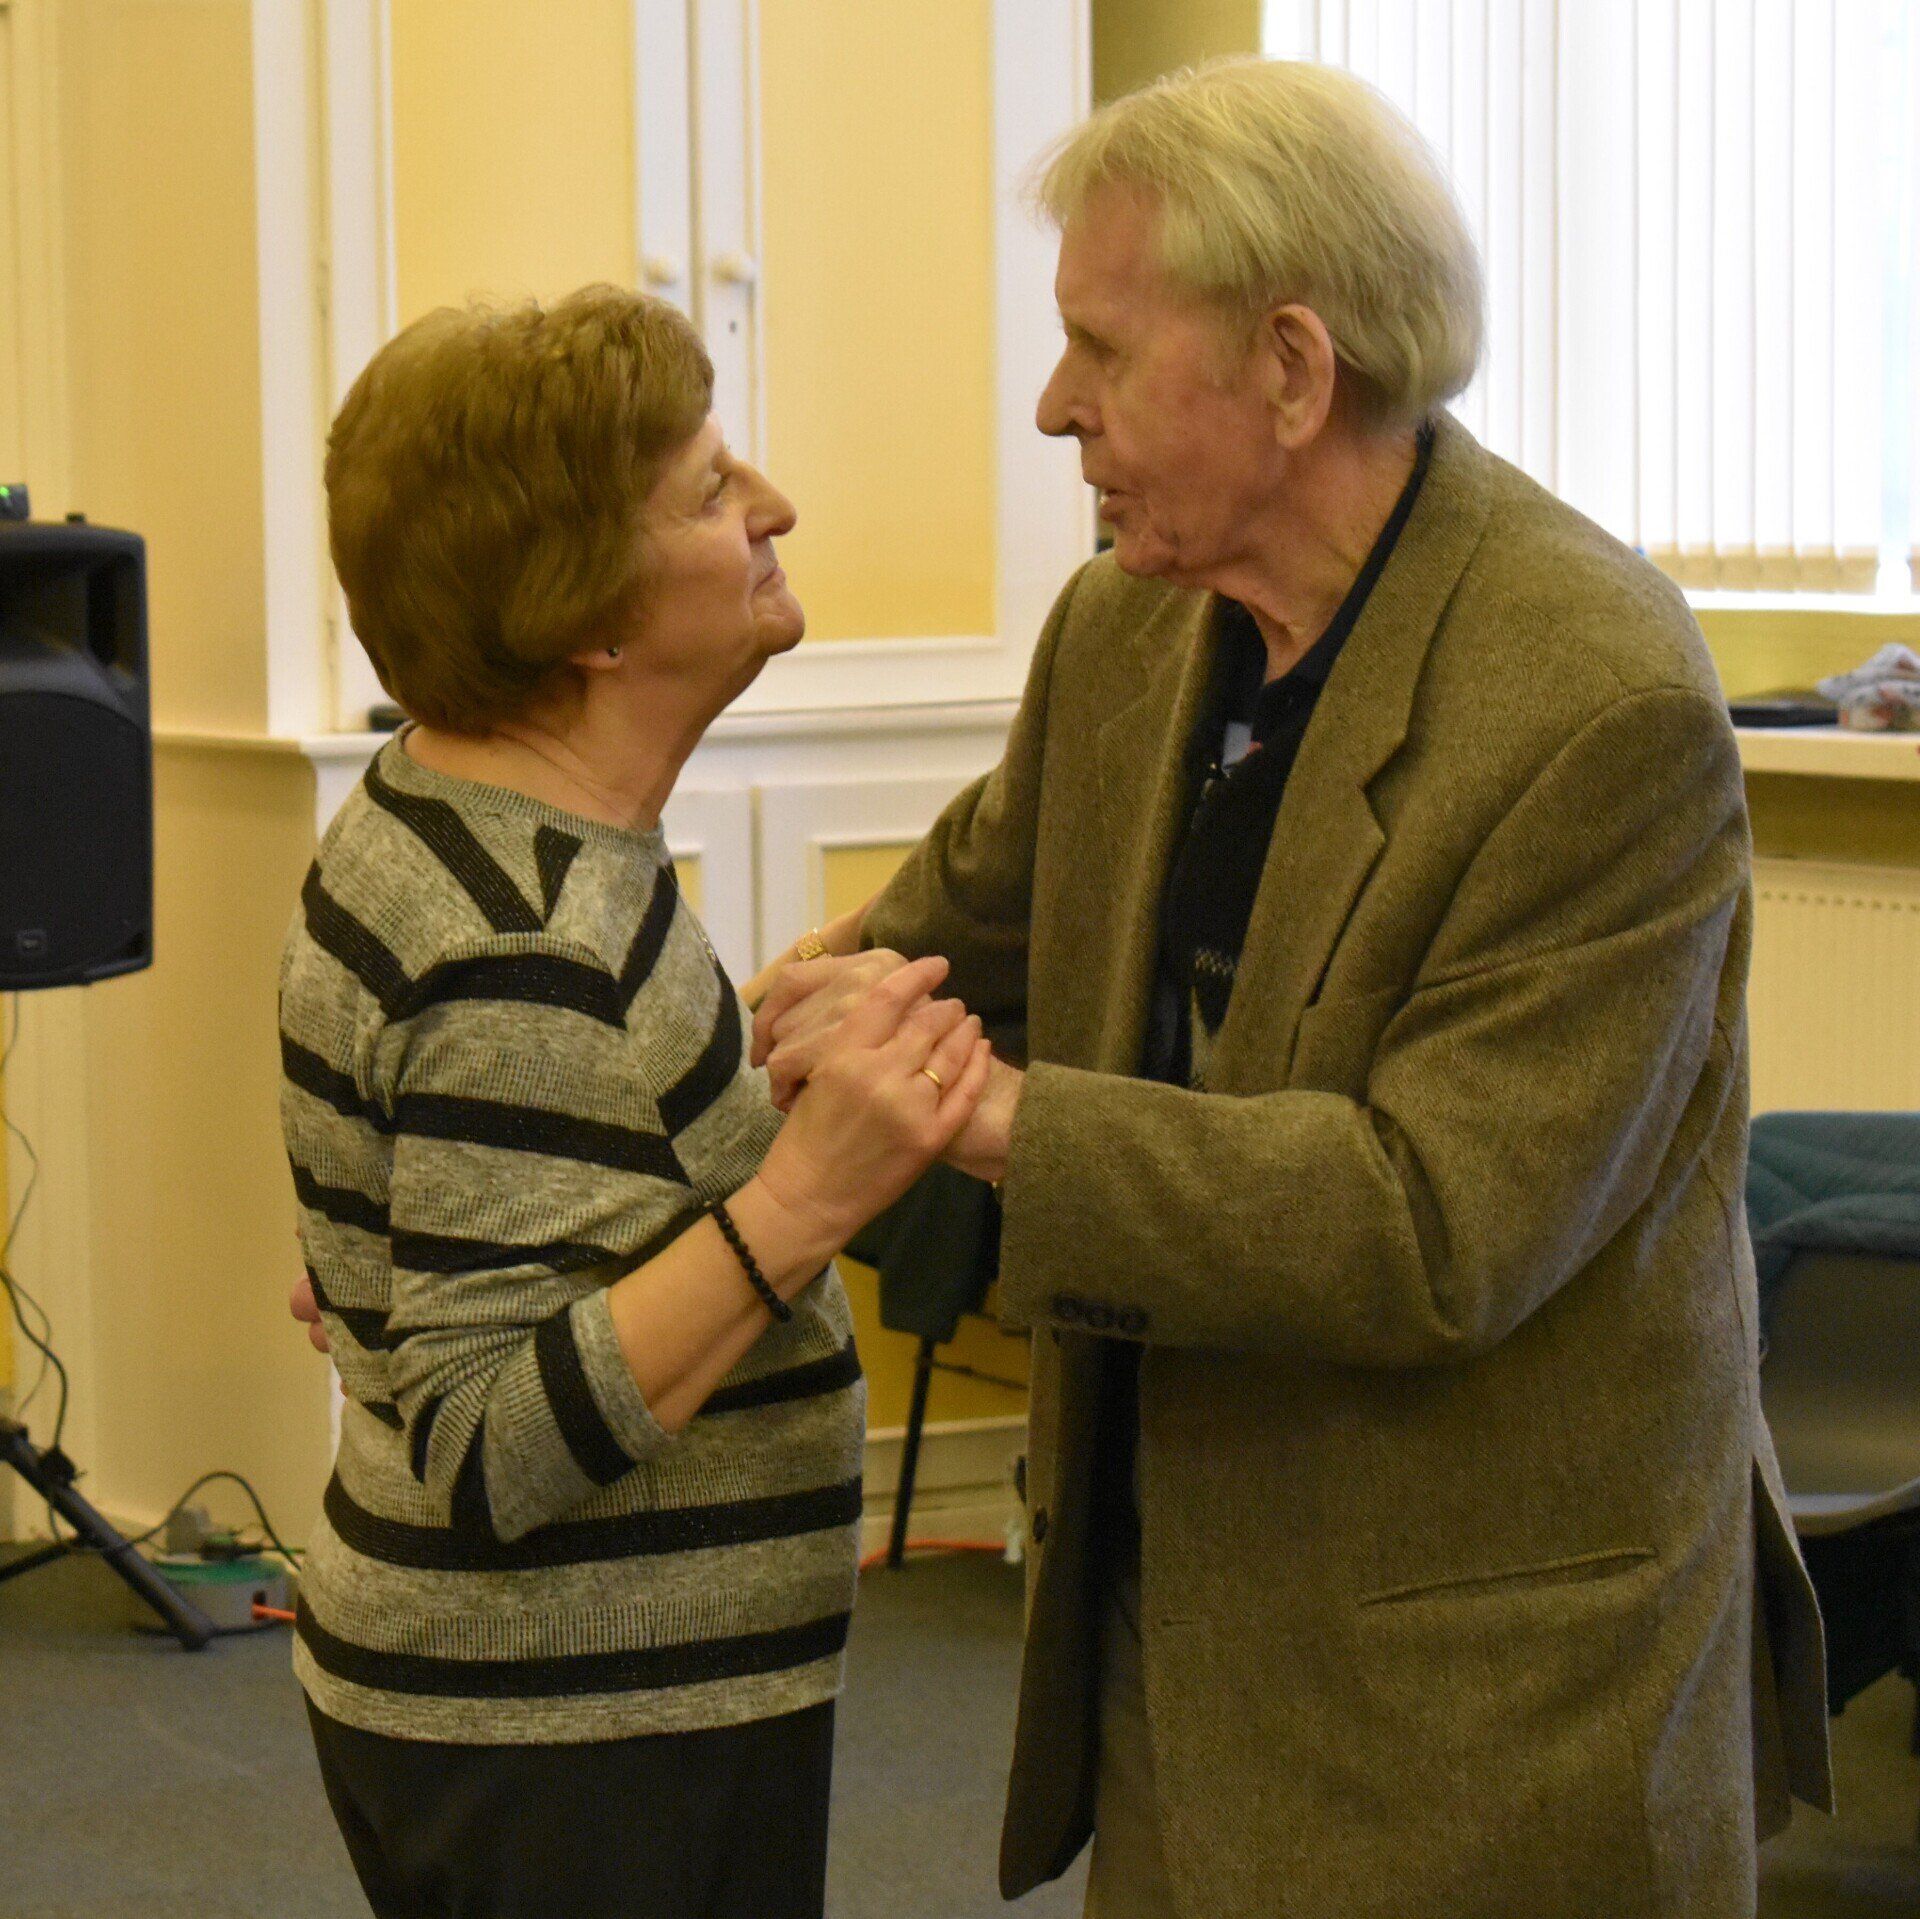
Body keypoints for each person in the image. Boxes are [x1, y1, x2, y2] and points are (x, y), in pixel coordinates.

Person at [751, 58, 1832, 1919]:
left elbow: (1434, 1225)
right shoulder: (1130, 622)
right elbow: (951, 933)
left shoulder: (1599, 700)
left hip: (1488, 1686)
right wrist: (781, 1010)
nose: (1051, 406)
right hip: (1178, 1616)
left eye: (1099, 347)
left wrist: (996, 1114)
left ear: (1293, 369)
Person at [279, 284, 991, 1919]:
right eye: (710, 489)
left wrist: (735, 1080)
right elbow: (488, 1449)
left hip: (564, 1721)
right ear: (591, 622)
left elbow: (509, 1189)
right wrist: (810, 1187)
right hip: (576, 1740)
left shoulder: (478, 819)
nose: (773, 509)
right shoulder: (523, 936)